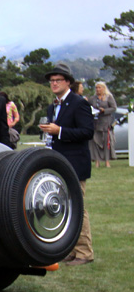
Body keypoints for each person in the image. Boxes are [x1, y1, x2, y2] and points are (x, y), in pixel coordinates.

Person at [38, 63, 95, 266]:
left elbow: (88, 131)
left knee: (78, 206)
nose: (53, 83)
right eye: (51, 81)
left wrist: (59, 131)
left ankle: (85, 252)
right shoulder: (52, 106)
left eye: (57, 80)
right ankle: (71, 250)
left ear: (68, 82)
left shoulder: (79, 103)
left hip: (75, 164)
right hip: (58, 163)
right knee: (65, 209)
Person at [88, 81, 117, 168]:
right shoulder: (92, 98)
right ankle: (97, 161)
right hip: (95, 123)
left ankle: (107, 161)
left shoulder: (109, 97)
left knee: (106, 142)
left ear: (104, 88)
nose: (97, 89)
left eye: (99, 87)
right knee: (95, 142)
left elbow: (114, 108)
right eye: (96, 88)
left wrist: (104, 110)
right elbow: (87, 106)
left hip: (106, 123)